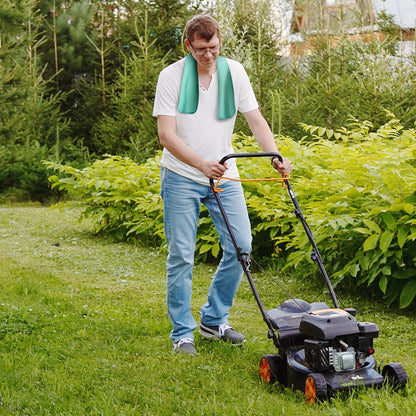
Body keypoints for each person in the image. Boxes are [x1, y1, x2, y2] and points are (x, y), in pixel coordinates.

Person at [153, 14, 292, 356]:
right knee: (182, 255)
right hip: (182, 176)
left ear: (219, 42)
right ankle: (182, 334)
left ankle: (214, 320)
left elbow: (255, 119)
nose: (209, 55)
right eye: (201, 49)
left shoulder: (235, 72)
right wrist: (200, 164)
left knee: (241, 246)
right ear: (188, 45)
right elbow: (165, 135)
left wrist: (272, 153)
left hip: (224, 174)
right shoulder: (170, 77)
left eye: (213, 47)